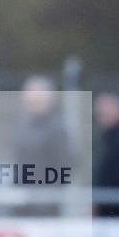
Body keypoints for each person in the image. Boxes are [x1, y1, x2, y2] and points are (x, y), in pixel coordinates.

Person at [12, 76, 73, 216]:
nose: (29, 100)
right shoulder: (25, 125)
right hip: (24, 200)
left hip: (45, 204)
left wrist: (48, 196)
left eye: (35, 96)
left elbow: (64, 165)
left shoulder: (57, 128)